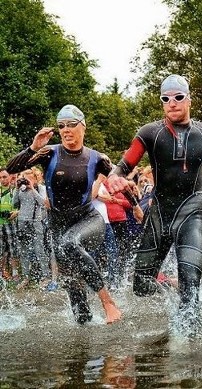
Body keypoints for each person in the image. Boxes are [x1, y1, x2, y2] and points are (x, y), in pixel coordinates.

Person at [106, 75, 202, 331]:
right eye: (165, 99)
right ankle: (174, 288)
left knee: (191, 281)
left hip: (191, 214)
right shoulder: (149, 133)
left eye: (178, 97)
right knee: (142, 286)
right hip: (160, 215)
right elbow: (124, 165)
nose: (172, 103)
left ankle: (190, 337)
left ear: (188, 99)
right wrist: (113, 178)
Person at [6, 104, 121, 324]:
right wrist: (32, 148)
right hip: (58, 224)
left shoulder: (97, 158)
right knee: (72, 287)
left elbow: (121, 179)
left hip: (89, 220)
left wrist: (135, 206)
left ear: (83, 126)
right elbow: (10, 170)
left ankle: (108, 302)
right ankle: (86, 328)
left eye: (71, 124)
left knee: (70, 243)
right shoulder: (50, 152)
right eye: (61, 126)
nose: (66, 130)